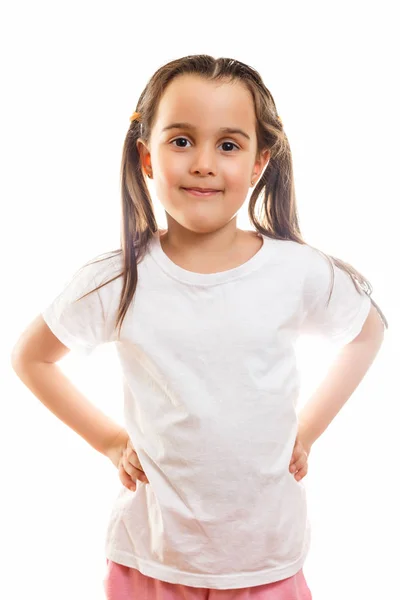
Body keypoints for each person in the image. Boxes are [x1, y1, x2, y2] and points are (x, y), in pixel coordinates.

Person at [11, 55, 387, 600]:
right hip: (152, 560)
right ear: (146, 155)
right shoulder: (119, 278)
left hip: (266, 562)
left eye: (229, 145)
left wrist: (307, 431)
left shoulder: (297, 272)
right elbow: (32, 357)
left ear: (260, 163)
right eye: (181, 140)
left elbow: (366, 332)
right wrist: (112, 441)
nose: (204, 163)